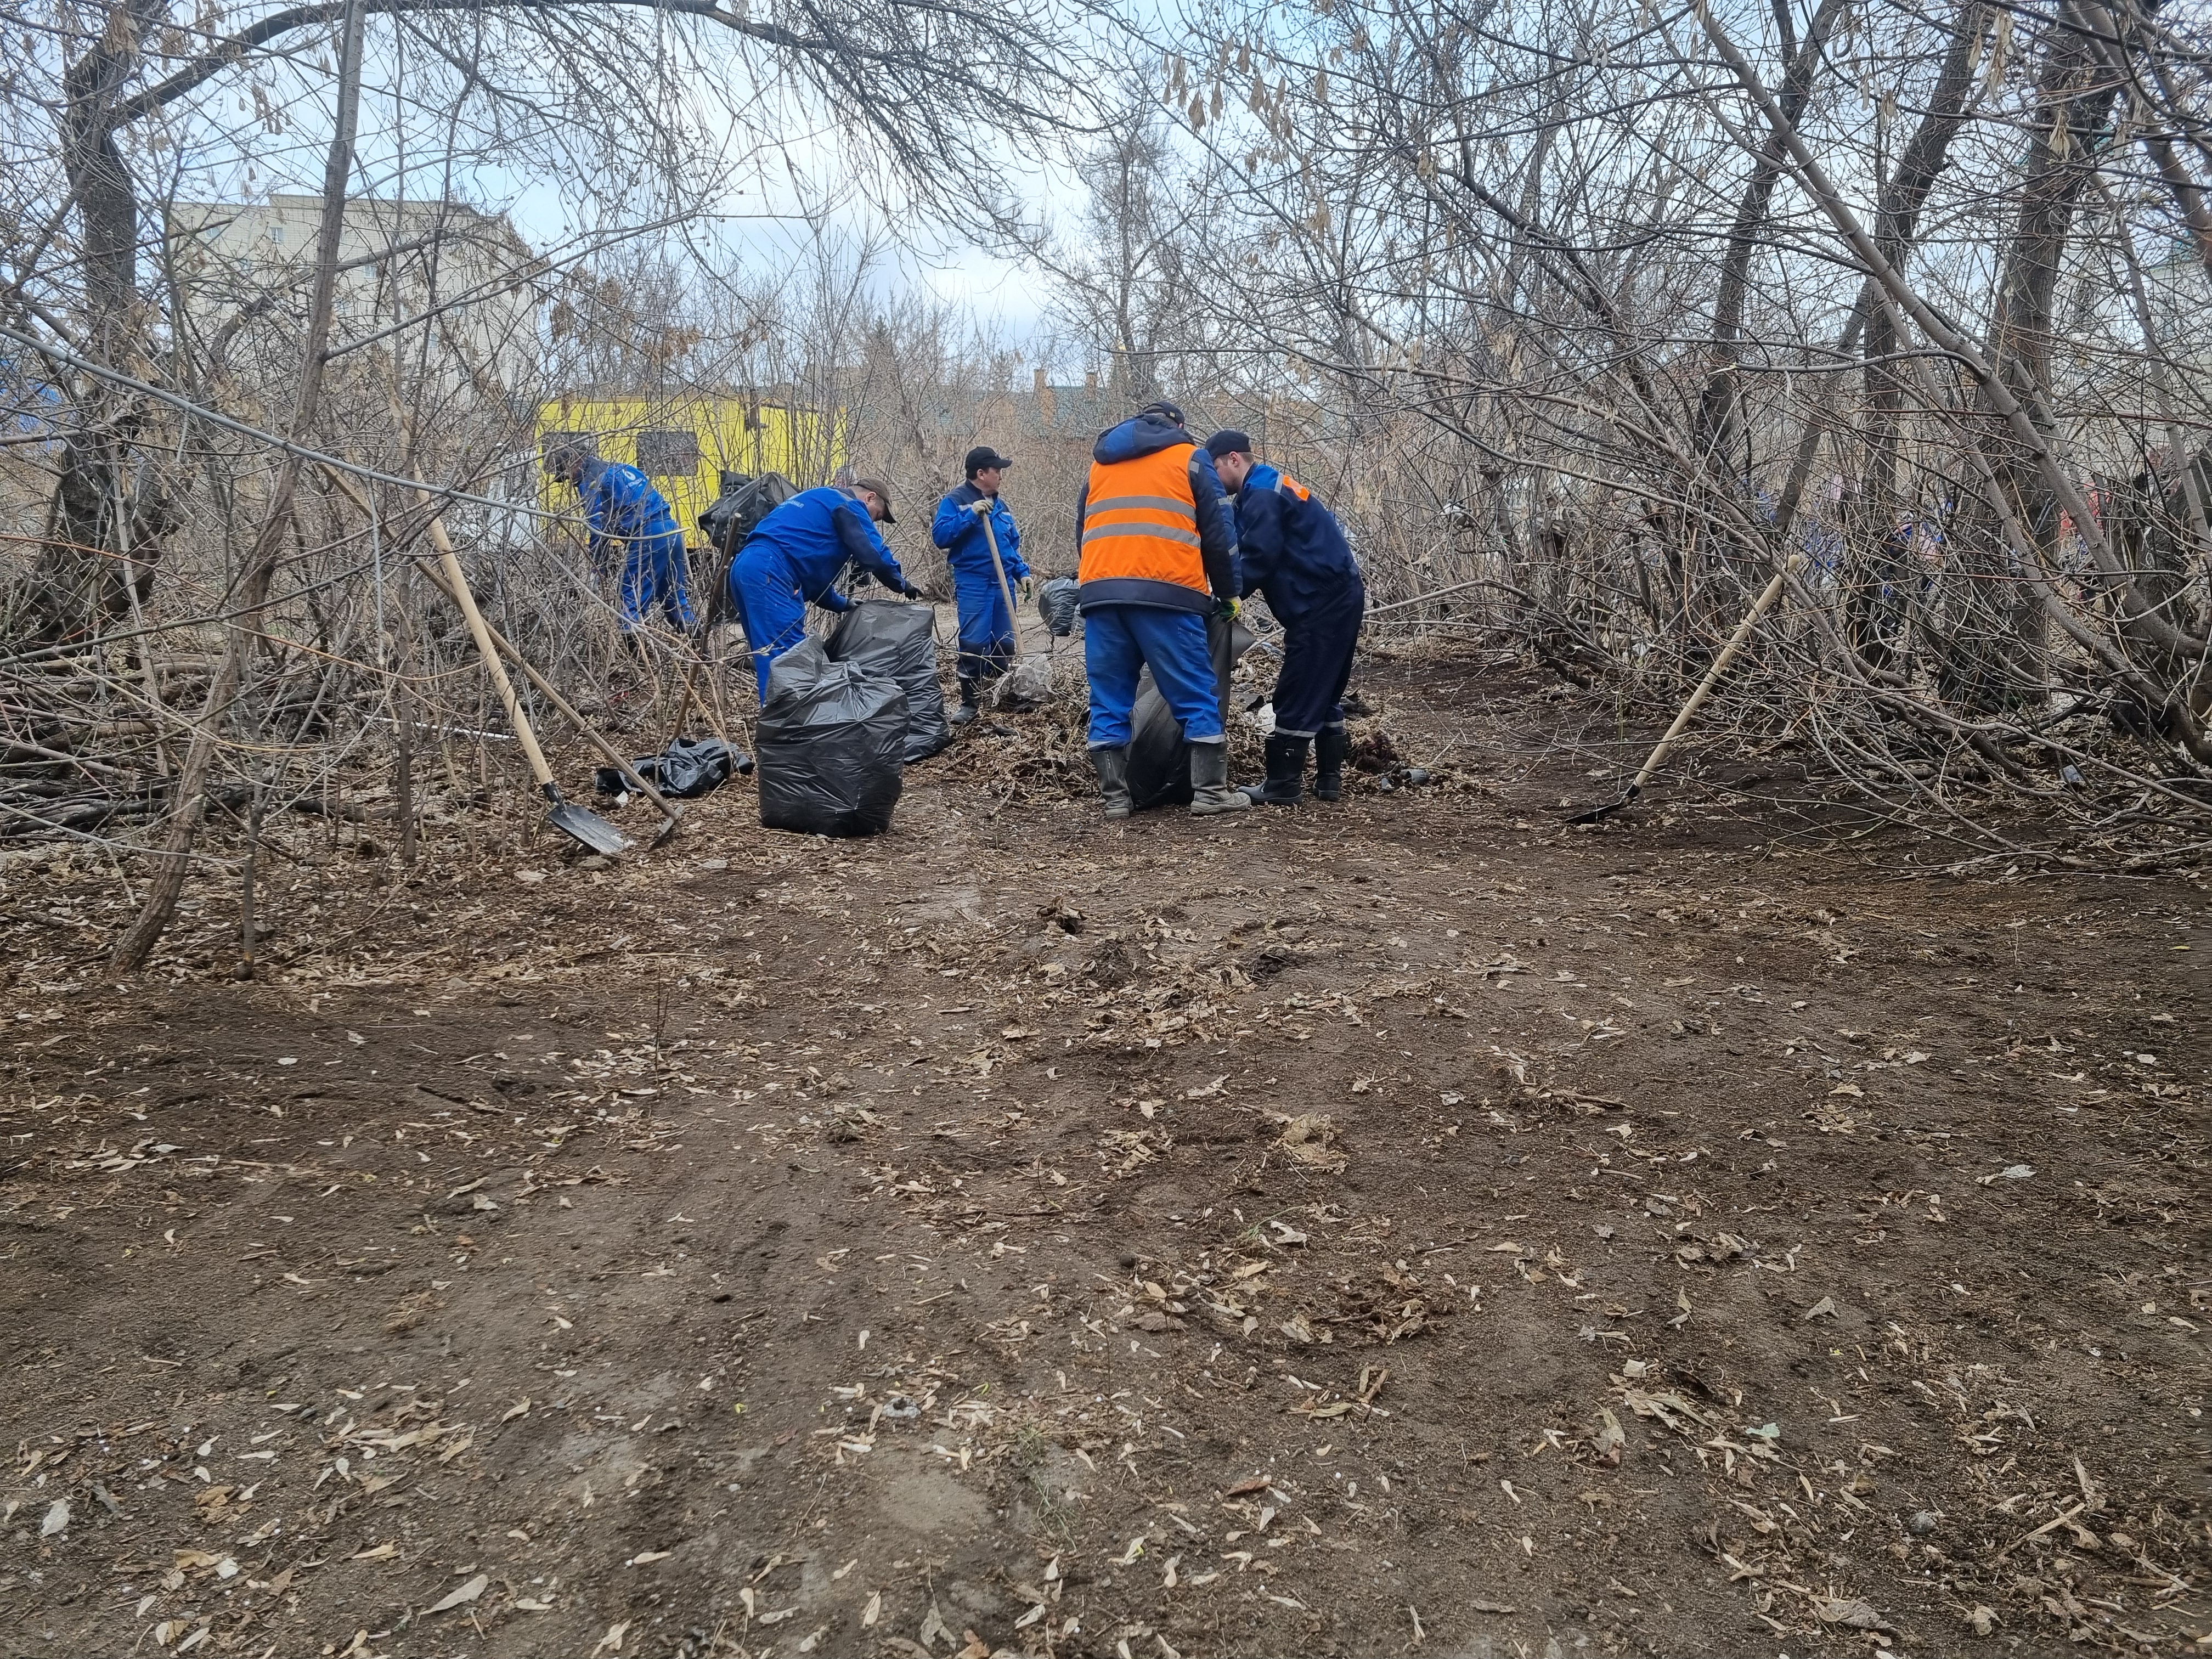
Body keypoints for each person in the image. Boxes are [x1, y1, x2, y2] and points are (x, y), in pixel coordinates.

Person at [1076, 400, 1248, 819]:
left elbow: (1084, 530)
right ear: (1180, 427)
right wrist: (1229, 592)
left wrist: (1100, 583)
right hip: (1168, 595)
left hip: (1101, 595)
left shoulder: (1099, 467)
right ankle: (1210, 792)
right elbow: (1219, 534)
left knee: (1108, 698)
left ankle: (1115, 799)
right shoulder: (1190, 459)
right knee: (1193, 691)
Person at [1204, 431, 1365, 805]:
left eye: (1214, 470)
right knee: (1323, 688)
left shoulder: (1261, 495)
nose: (1213, 481)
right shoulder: (1267, 486)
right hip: (1337, 594)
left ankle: (1283, 784)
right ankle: (1329, 780)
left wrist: (1227, 597)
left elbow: (1258, 557)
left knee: (1298, 687)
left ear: (1233, 459)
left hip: (1322, 602)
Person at [726, 475, 921, 699]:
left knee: (770, 658)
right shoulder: (848, 505)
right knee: (788, 662)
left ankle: (776, 724)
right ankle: (788, 729)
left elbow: (815, 575)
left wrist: (842, 603)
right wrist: (901, 584)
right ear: (869, 497)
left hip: (747, 566)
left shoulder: (818, 497)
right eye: (876, 516)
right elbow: (874, 557)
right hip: (773, 572)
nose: (873, 523)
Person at [931, 445, 1029, 726]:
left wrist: (1022, 573)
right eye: (997, 471)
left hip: (1003, 582)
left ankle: (1000, 695)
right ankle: (970, 703)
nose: (1000, 476)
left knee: (1004, 644)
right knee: (974, 642)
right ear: (981, 473)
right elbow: (941, 536)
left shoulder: (1002, 506)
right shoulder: (956, 501)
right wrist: (971, 514)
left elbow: (1010, 545)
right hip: (973, 580)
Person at [550, 445, 695, 635]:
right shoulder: (624, 468)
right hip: (670, 529)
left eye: (568, 476)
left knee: (630, 600)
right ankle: (701, 651)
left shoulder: (592, 480)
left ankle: (636, 657)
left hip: (647, 535)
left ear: (575, 464)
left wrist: (597, 567)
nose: (571, 482)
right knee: (675, 598)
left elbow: (597, 527)